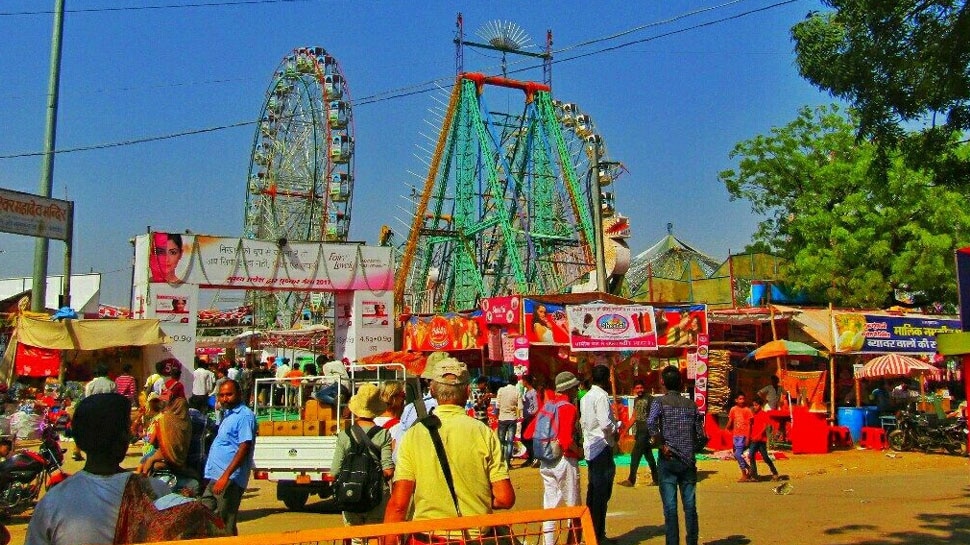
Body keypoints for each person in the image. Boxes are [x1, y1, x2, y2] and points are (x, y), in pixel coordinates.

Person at [383, 357, 514, 544]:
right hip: (476, 537)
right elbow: (504, 498)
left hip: (427, 537)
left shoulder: (414, 435)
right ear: (468, 391)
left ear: (433, 390)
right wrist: (477, 497)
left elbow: (398, 505)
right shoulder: (484, 433)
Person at [26, 393, 169, 545]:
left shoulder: (52, 503)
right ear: (123, 438)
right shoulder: (156, 492)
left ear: (79, 441)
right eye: (127, 428)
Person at [647, 366, 704, 545]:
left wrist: (661, 444)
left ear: (662, 382)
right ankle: (691, 541)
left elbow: (650, 423)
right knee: (690, 506)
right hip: (688, 462)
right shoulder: (692, 405)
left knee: (670, 508)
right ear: (681, 383)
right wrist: (690, 449)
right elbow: (701, 435)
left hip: (668, 459)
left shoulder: (659, 402)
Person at [332, 383, 394, 531]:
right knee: (374, 536)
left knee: (356, 537)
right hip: (375, 494)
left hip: (350, 493)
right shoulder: (383, 434)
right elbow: (388, 471)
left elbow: (334, 471)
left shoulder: (344, 435)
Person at [202, 380, 256, 535]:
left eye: (229, 394)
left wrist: (226, 476)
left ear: (238, 394)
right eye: (222, 395)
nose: (225, 398)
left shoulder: (244, 415)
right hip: (215, 477)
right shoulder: (228, 414)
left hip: (229, 479)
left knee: (225, 524)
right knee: (206, 515)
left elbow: (244, 448)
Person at [534, 371, 582, 545]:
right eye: (576, 387)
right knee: (574, 505)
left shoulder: (548, 406)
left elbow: (530, 432)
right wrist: (579, 452)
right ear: (569, 389)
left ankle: (548, 542)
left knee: (550, 505)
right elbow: (566, 440)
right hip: (565, 460)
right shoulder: (568, 408)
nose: (578, 389)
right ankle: (573, 542)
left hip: (546, 460)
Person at [579, 364, 618, 543]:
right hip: (601, 446)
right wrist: (616, 428)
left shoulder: (585, 397)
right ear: (605, 380)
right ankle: (598, 534)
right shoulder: (601, 396)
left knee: (593, 491)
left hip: (590, 447)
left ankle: (591, 531)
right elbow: (605, 424)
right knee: (601, 493)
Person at [618, 380, 658, 487]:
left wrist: (653, 434)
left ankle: (631, 480)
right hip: (640, 430)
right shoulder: (636, 400)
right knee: (648, 455)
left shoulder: (650, 399)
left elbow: (654, 417)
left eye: (641, 387)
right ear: (634, 389)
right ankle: (657, 478)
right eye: (637, 388)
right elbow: (634, 417)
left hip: (646, 430)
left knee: (635, 455)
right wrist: (624, 432)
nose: (639, 390)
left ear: (644, 388)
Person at [747, 397, 780, 481]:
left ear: (760, 405)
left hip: (760, 440)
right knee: (751, 455)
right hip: (754, 439)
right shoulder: (753, 414)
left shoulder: (763, 414)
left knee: (765, 457)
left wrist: (758, 435)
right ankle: (754, 475)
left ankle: (774, 472)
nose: (754, 407)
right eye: (753, 405)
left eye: (756, 405)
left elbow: (765, 426)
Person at [374, 380, 406, 458]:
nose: (404, 399)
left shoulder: (371, 422)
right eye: (403, 395)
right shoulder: (399, 427)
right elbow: (398, 458)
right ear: (394, 398)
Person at [495, 377, 522, 468]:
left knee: (501, 441)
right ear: (516, 383)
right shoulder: (517, 392)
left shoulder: (501, 390)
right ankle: (508, 462)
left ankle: (501, 461)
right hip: (512, 418)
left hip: (502, 418)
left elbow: (497, 405)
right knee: (510, 441)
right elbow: (520, 406)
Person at [726, 393, 754, 482]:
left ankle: (744, 474)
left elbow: (749, 425)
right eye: (740, 399)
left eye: (743, 399)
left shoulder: (747, 410)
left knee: (738, 454)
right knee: (736, 454)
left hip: (743, 435)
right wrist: (726, 429)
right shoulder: (733, 409)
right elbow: (730, 421)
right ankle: (748, 468)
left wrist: (748, 437)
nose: (742, 401)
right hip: (735, 435)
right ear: (736, 400)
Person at [520, 374, 539, 468]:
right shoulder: (527, 391)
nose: (521, 382)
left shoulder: (533, 392)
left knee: (526, 438)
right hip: (526, 417)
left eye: (523, 381)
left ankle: (533, 457)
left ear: (526, 381)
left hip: (529, 418)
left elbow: (536, 406)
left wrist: (530, 414)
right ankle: (531, 457)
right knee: (525, 438)